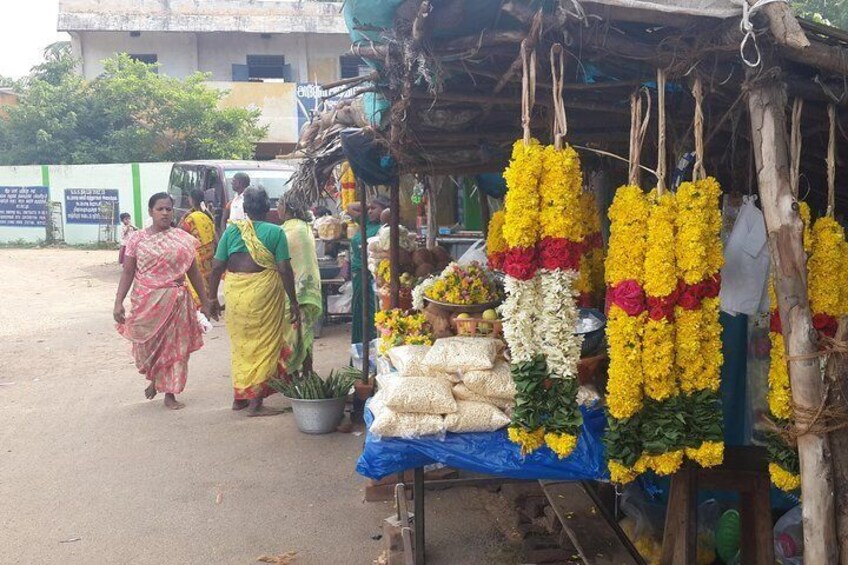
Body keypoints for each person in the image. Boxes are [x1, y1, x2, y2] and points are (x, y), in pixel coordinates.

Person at [113, 193, 212, 410]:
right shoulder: (136, 239)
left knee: (176, 347)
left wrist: (205, 300)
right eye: (160, 209)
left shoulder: (181, 239)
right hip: (146, 301)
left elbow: (193, 272)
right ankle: (156, 378)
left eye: (168, 209)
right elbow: (128, 272)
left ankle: (170, 393)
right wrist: (118, 302)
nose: (165, 213)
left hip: (176, 301)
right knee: (148, 348)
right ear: (151, 212)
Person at [209, 187, 301, 416]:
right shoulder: (275, 232)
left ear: (246, 209)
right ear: (268, 208)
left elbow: (217, 266)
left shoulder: (232, 231)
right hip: (264, 294)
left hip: (236, 294)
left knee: (242, 346)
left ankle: (239, 398)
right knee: (264, 345)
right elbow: (284, 269)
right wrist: (294, 301)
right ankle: (254, 404)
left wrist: (211, 297)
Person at [278, 192, 323, 375]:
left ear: (287, 207)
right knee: (305, 334)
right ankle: (307, 370)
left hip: (295, 289)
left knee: (291, 334)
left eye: (280, 205)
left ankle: (294, 373)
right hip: (309, 287)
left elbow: (283, 262)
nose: (278, 209)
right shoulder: (304, 226)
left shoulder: (287, 230)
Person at [347, 195, 389, 345]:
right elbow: (350, 207)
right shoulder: (364, 222)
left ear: (385, 211)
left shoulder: (384, 228)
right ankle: (358, 351)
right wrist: (367, 205)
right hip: (358, 276)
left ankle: (372, 350)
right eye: (369, 209)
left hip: (373, 276)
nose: (370, 211)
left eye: (374, 209)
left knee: (372, 312)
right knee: (359, 311)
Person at [178, 189, 216, 306]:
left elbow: (180, 233)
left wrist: (183, 218)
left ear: (191, 200)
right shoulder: (208, 215)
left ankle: (201, 307)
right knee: (208, 283)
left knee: (197, 283)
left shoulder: (190, 218)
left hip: (198, 255)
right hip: (210, 253)